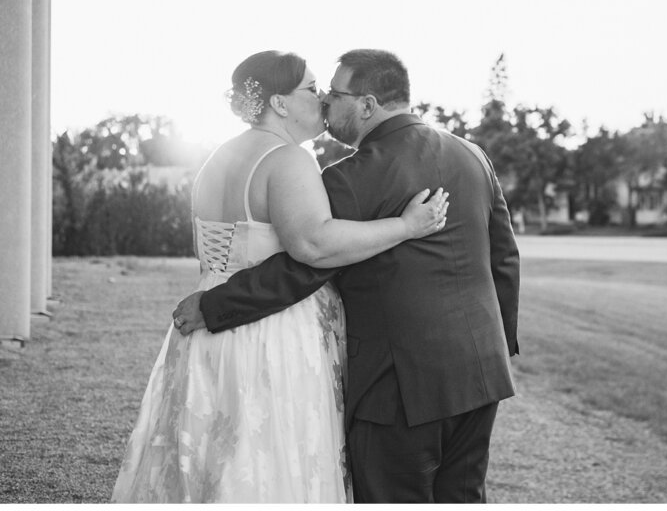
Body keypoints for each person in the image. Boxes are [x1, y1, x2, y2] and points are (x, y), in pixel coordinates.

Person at [173, 49, 520, 503]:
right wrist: (500, 345)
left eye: (334, 95)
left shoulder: (352, 176)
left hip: (398, 386)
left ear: (367, 105)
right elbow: (505, 259)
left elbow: (306, 264)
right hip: (479, 373)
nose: (324, 105)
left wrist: (213, 305)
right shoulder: (473, 155)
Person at [111, 51, 449, 503]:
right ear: (280, 104)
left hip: (209, 326)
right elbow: (314, 244)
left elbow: (211, 257)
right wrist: (407, 227)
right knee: (267, 462)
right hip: (270, 334)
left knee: (211, 462)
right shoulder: (288, 159)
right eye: (311, 89)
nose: (324, 99)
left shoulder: (217, 159)